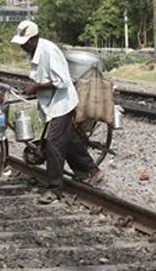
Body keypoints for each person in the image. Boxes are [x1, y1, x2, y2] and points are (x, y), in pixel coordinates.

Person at [11, 20, 104, 205]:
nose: (23, 46)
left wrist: (36, 87)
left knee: (54, 144)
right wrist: (30, 88)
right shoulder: (34, 51)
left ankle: (54, 189)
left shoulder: (49, 51)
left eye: (26, 42)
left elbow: (61, 81)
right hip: (51, 104)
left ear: (35, 38)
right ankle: (90, 171)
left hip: (62, 103)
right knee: (67, 139)